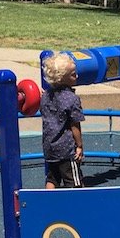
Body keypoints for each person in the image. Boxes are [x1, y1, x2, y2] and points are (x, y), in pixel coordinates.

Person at [40, 52, 85, 189]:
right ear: (62, 78)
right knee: (74, 181)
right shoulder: (72, 99)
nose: (76, 76)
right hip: (66, 149)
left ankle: (48, 202)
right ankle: (76, 207)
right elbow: (74, 125)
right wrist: (79, 145)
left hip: (49, 146)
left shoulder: (45, 96)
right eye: (73, 74)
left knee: (52, 177)